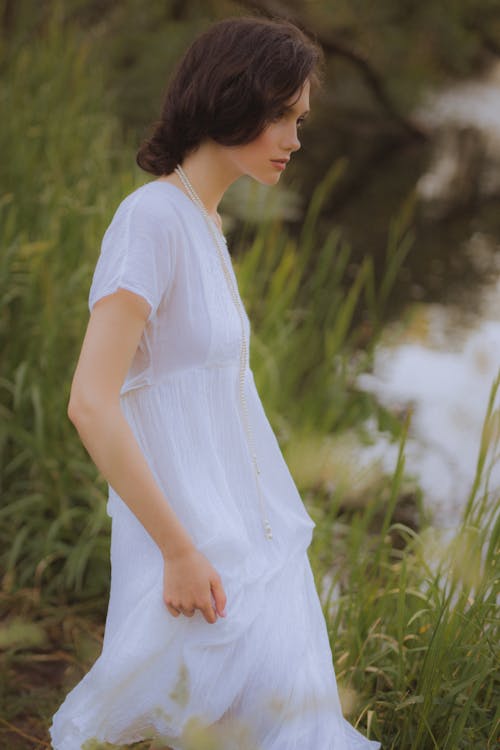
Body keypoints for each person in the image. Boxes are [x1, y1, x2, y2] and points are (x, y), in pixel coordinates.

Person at [49, 15, 381, 750]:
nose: (295, 140)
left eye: (299, 120)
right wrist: (178, 550)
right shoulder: (151, 221)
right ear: (233, 99)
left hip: (246, 532)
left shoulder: (205, 221)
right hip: (191, 540)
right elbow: (91, 402)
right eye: (282, 117)